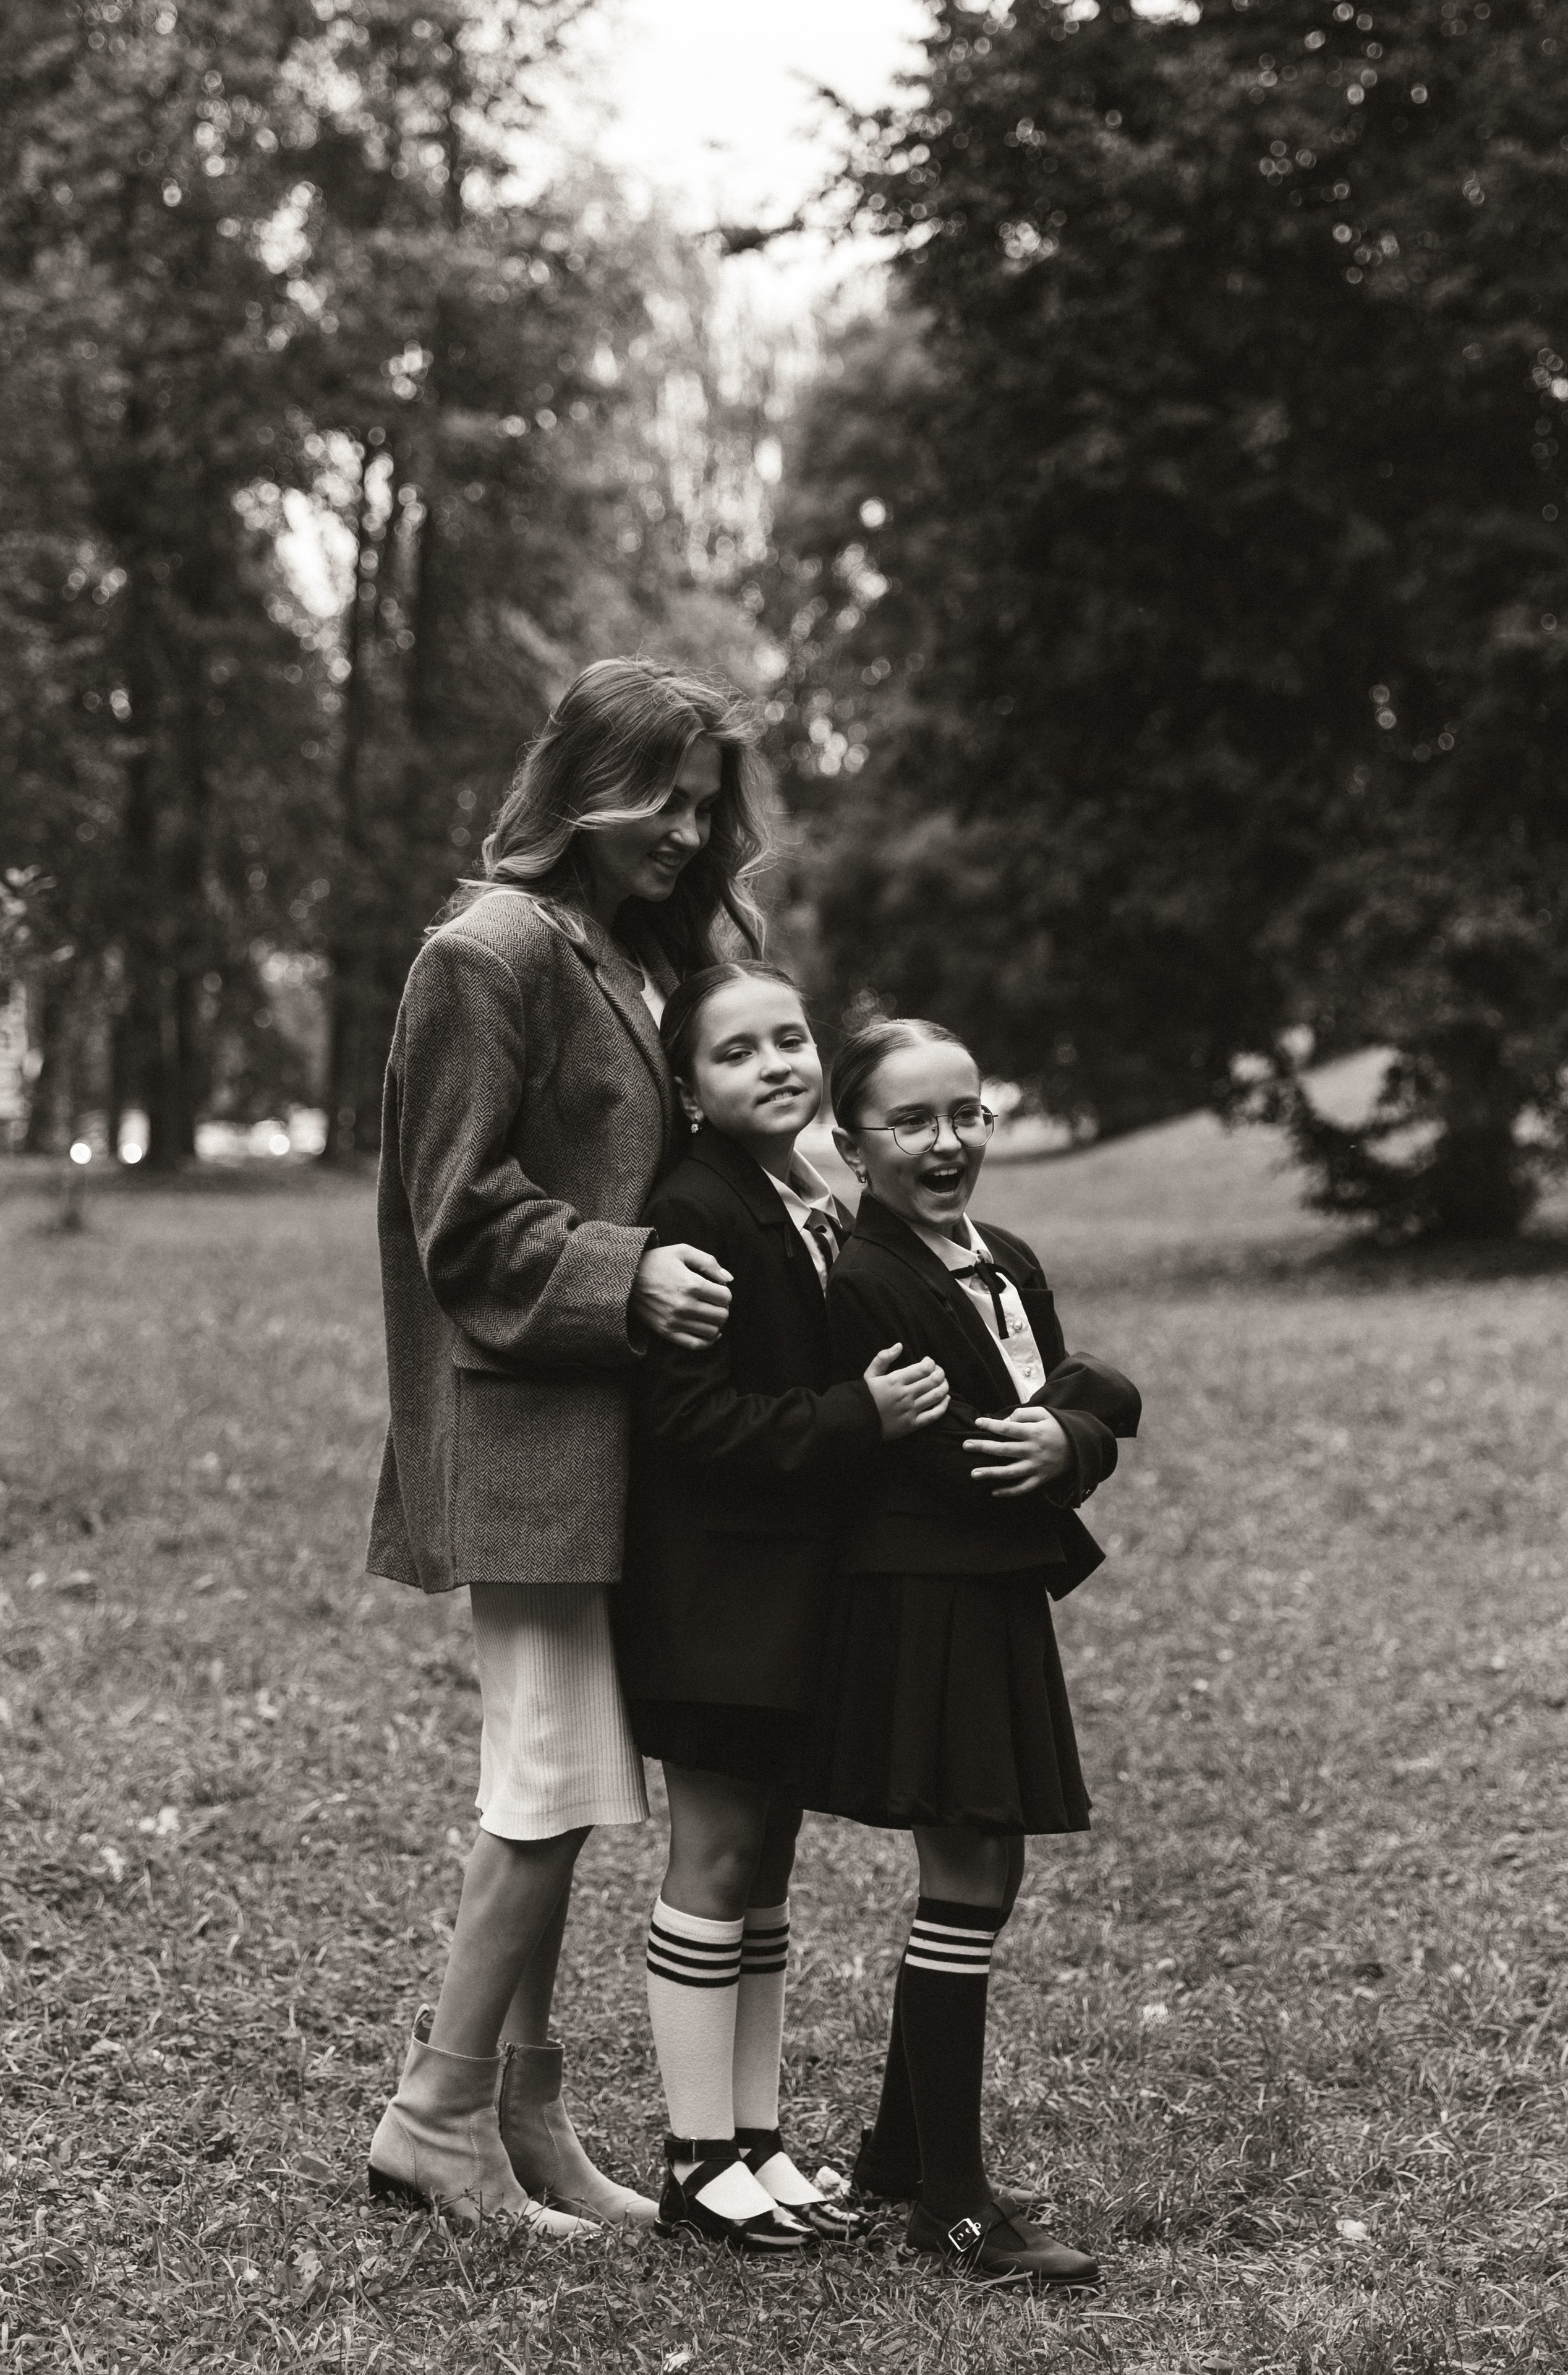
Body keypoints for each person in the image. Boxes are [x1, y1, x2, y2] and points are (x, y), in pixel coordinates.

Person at [364, 658, 768, 2234]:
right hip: (526, 1429)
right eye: (659, 793)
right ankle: (433, 2117)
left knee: (572, 1774)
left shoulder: (631, 949)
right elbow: (452, 1214)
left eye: (702, 800)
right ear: (582, 780)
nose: (684, 827)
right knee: (544, 1775)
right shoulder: (489, 951)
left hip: (617, 1434)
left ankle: (527, 2121)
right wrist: (627, 1272)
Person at [615, 961, 951, 2253]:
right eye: (734, 1051)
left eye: (790, 1039)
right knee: (710, 1861)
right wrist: (850, 1417)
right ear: (689, 1088)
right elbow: (686, 1421)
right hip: (714, 1592)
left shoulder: (801, 1194)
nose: (775, 1064)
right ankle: (696, 2162)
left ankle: (756, 2141)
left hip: (792, 1591)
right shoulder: (696, 1207)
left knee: (764, 1868)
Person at [802, 1017, 1142, 2289]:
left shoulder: (1002, 1255)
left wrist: (1079, 1431)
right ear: (850, 1144)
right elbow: (979, 1456)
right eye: (910, 1122)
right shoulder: (865, 1282)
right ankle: (950, 2203)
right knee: (968, 1863)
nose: (945, 1144)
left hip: (989, 1589)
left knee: (977, 1866)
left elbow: (1064, 1397)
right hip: (924, 1595)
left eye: (966, 1114)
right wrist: (1072, 1425)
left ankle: (898, 2154)